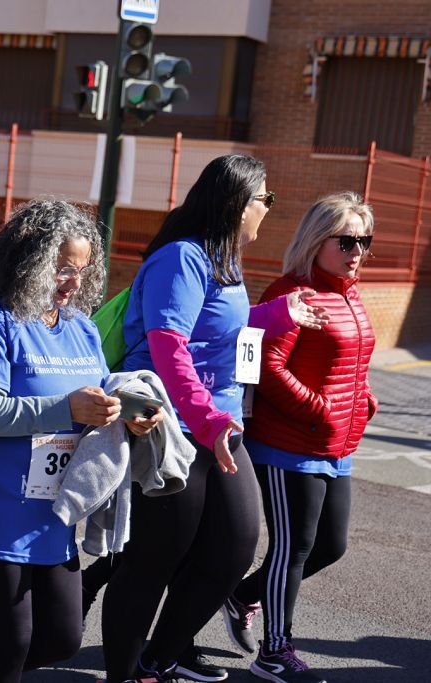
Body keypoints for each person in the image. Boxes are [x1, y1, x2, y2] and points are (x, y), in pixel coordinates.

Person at [101, 154, 329, 683]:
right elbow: (169, 346)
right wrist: (206, 420)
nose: (268, 209)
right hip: (169, 428)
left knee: (232, 550)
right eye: (264, 199)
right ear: (235, 202)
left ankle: (161, 657)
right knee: (154, 560)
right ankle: (126, 673)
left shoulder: (222, 260)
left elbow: (216, 330)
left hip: (217, 425)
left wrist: (276, 315)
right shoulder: (181, 258)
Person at [0, 199, 162, 683]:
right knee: (9, 644)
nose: (72, 282)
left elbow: (96, 396)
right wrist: (65, 408)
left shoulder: (80, 327)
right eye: (60, 268)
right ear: (27, 260)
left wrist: (127, 415)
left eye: (81, 269)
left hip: (55, 510)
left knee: (60, 638)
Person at [222, 192, 376, 683]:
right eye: (348, 240)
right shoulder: (291, 293)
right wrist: (321, 407)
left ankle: (242, 594)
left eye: (365, 241)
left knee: (332, 546)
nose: (357, 251)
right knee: (294, 548)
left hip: (337, 444)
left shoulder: (349, 292)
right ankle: (275, 651)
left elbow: (354, 359)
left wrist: (364, 397)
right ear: (317, 239)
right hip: (289, 445)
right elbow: (266, 368)